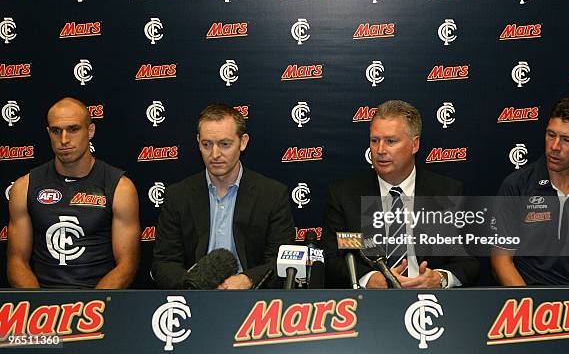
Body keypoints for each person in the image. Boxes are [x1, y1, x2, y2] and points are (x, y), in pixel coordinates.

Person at [323, 100, 479, 289]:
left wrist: (439, 279)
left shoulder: (447, 193)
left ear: (415, 144)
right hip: (371, 305)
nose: (380, 150)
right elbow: (332, 260)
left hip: (431, 302)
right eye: (375, 140)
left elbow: (468, 261)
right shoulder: (345, 195)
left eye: (391, 141)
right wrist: (369, 278)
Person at [151, 104, 295, 289]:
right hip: (193, 299)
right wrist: (192, 282)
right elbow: (163, 263)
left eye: (224, 144)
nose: (215, 154)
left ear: (242, 142)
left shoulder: (272, 194)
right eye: (207, 144)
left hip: (251, 300)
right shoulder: (178, 195)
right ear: (198, 143)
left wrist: (247, 280)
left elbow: (281, 261)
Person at [7, 97, 140, 289]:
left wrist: (89, 306)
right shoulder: (24, 187)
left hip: (99, 304)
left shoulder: (120, 188)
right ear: (48, 133)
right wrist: (38, 305)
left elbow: (127, 264)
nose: (64, 140)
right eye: (56, 131)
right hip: (43, 307)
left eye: (73, 129)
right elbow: (16, 260)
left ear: (90, 131)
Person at [491, 98, 569, 285]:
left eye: (566, 140)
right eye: (551, 135)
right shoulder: (517, 186)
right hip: (530, 300)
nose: (555, 147)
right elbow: (501, 260)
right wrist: (528, 304)